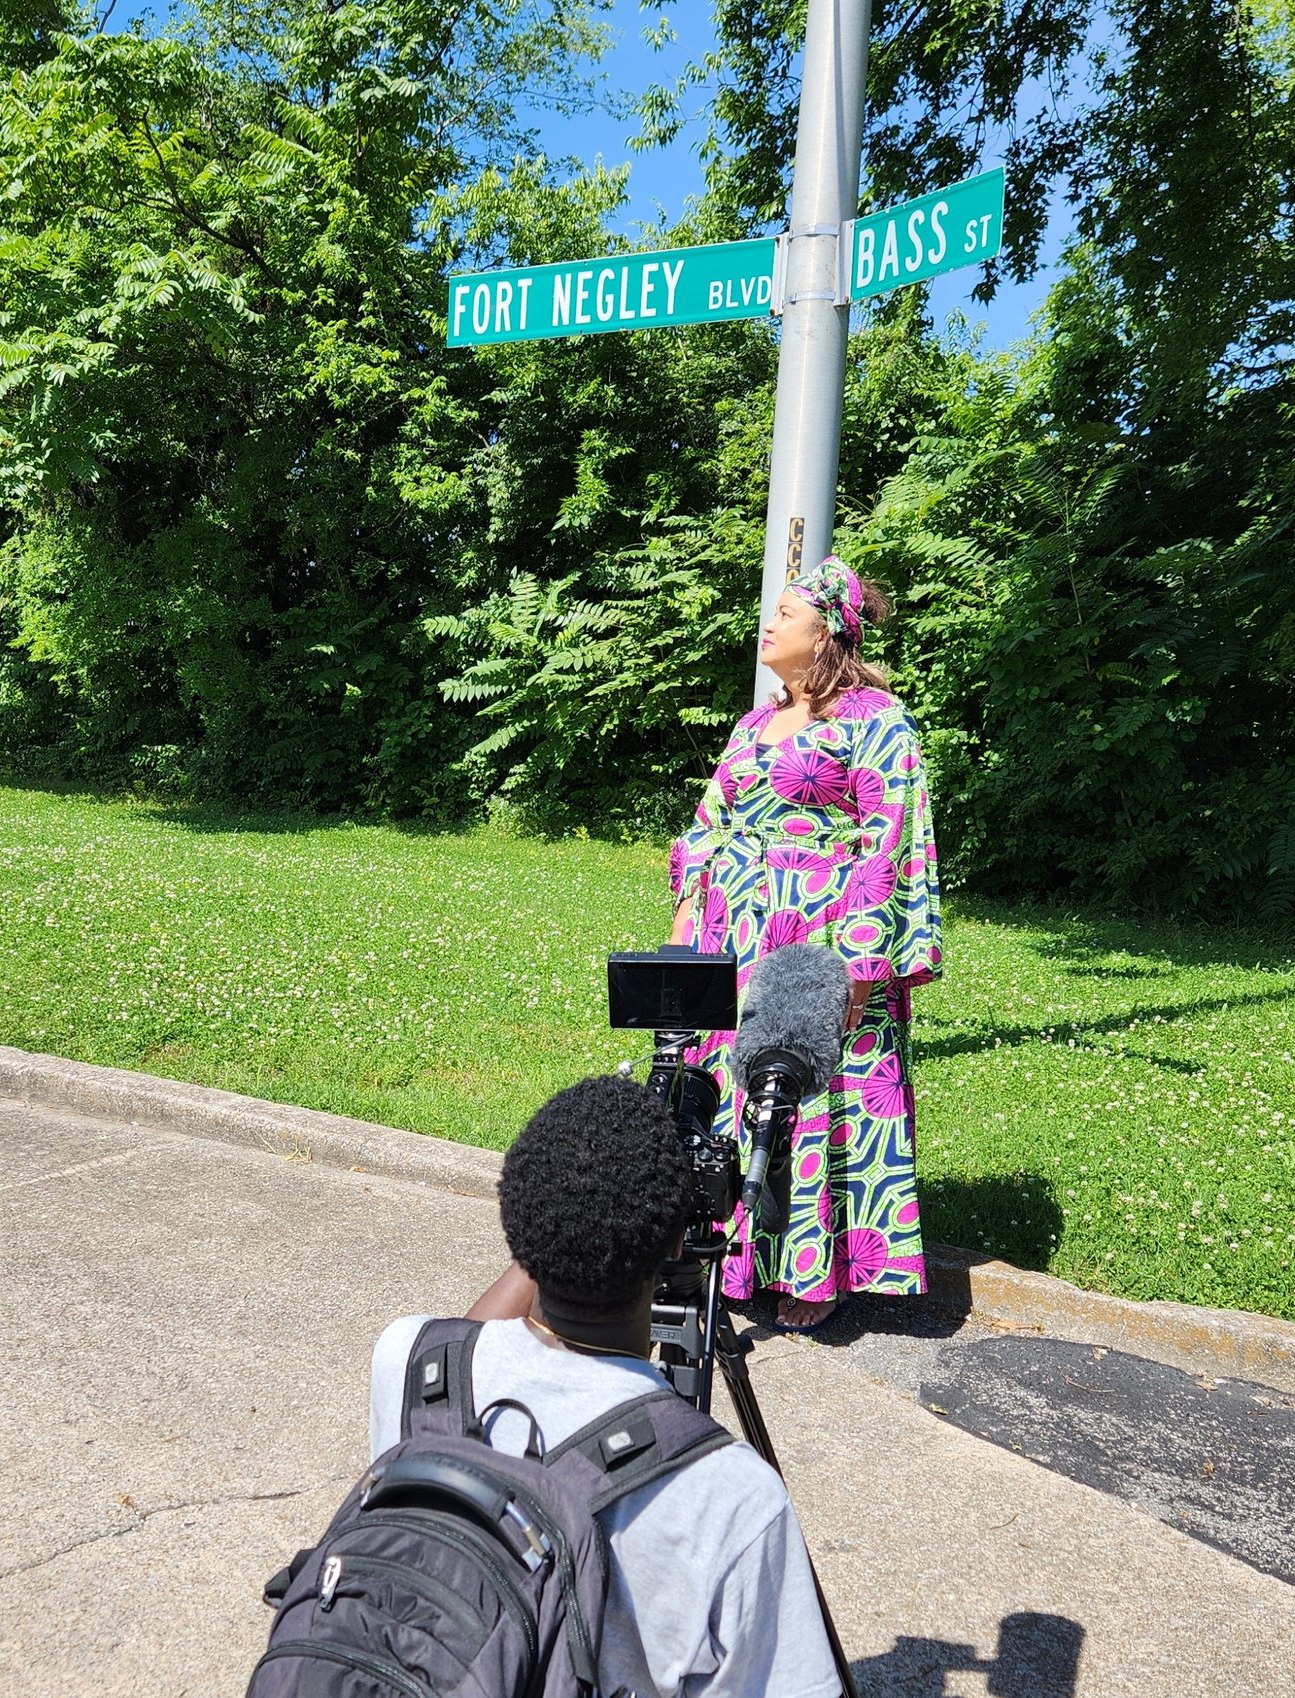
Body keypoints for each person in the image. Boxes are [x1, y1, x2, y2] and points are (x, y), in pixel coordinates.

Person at [368, 1075, 840, 1698]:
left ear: (521, 1221)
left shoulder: (411, 1359)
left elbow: (471, 1332)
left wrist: (561, 1213)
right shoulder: (733, 1495)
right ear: (677, 1240)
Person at [667, 557, 942, 1333]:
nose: (768, 623)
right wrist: (690, 916)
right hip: (738, 935)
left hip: (820, 940)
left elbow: (889, 841)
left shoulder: (875, 720)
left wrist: (859, 965)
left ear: (826, 632)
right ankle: (739, 1256)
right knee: (738, 1093)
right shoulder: (753, 725)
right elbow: (709, 820)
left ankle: (815, 1272)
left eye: (784, 613)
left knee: (812, 1098)